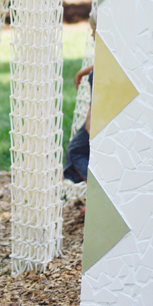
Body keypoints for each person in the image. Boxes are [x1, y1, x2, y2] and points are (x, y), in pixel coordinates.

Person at [64, 13, 96, 184]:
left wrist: (90, 116)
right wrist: (82, 72)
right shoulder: (110, 55)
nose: (92, 36)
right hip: (100, 116)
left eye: (94, 31)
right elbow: (102, 62)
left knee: (76, 151)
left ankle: (95, 193)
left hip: (97, 117)